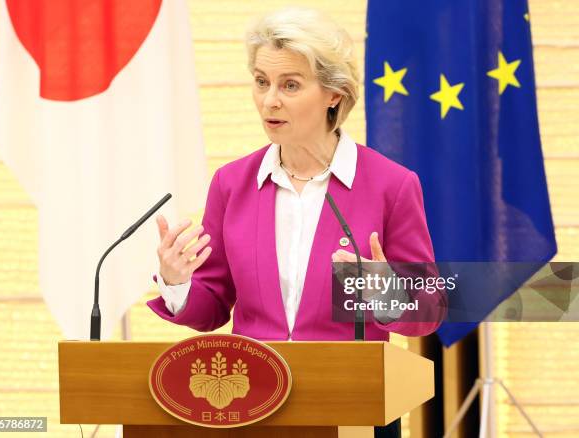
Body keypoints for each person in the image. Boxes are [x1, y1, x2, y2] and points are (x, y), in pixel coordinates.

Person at [147, 7, 446, 437]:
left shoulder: (391, 185)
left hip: (353, 406)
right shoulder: (232, 184)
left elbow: (430, 309)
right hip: (250, 406)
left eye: (290, 85)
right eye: (261, 82)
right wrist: (177, 283)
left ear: (334, 94)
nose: (270, 100)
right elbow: (214, 305)